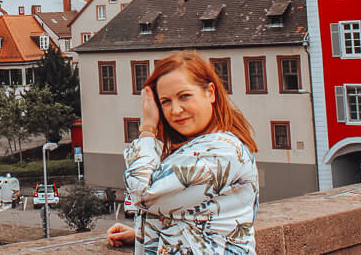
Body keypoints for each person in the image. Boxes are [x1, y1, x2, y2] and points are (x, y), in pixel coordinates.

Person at [106, 50, 259, 254]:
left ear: (210, 93)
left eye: (184, 96)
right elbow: (199, 217)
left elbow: (143, 194)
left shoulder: (221, 152)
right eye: (166, 101)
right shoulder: (204, 145)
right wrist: (143, 234)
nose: (176, 110)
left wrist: (148, 129)